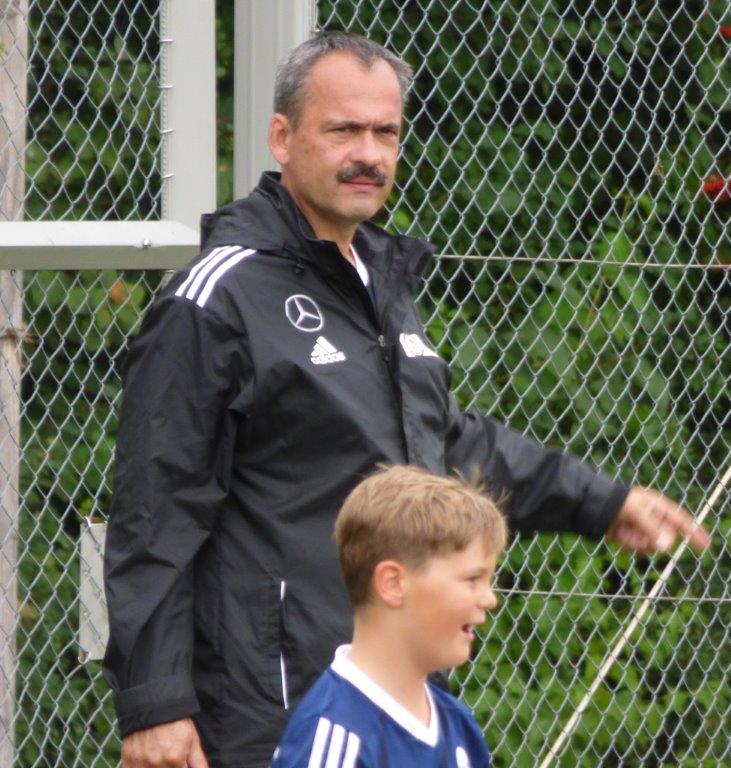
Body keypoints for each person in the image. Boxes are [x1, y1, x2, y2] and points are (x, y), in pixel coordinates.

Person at [103, 31, 710, 768]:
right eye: (343, 130)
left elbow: (444, 444)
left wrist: (602, 502)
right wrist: (156, 703)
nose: (368, 153)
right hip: (272, 708)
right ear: (282, 138)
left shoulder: (379, 281)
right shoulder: (217, 296)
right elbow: (155, 508)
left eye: (385, 132)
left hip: (391, 694)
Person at [271, 464, 507, 768]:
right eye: (472, 579)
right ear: (393, 583)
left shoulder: (459, 726)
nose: (490, 599)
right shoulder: (334, 743)